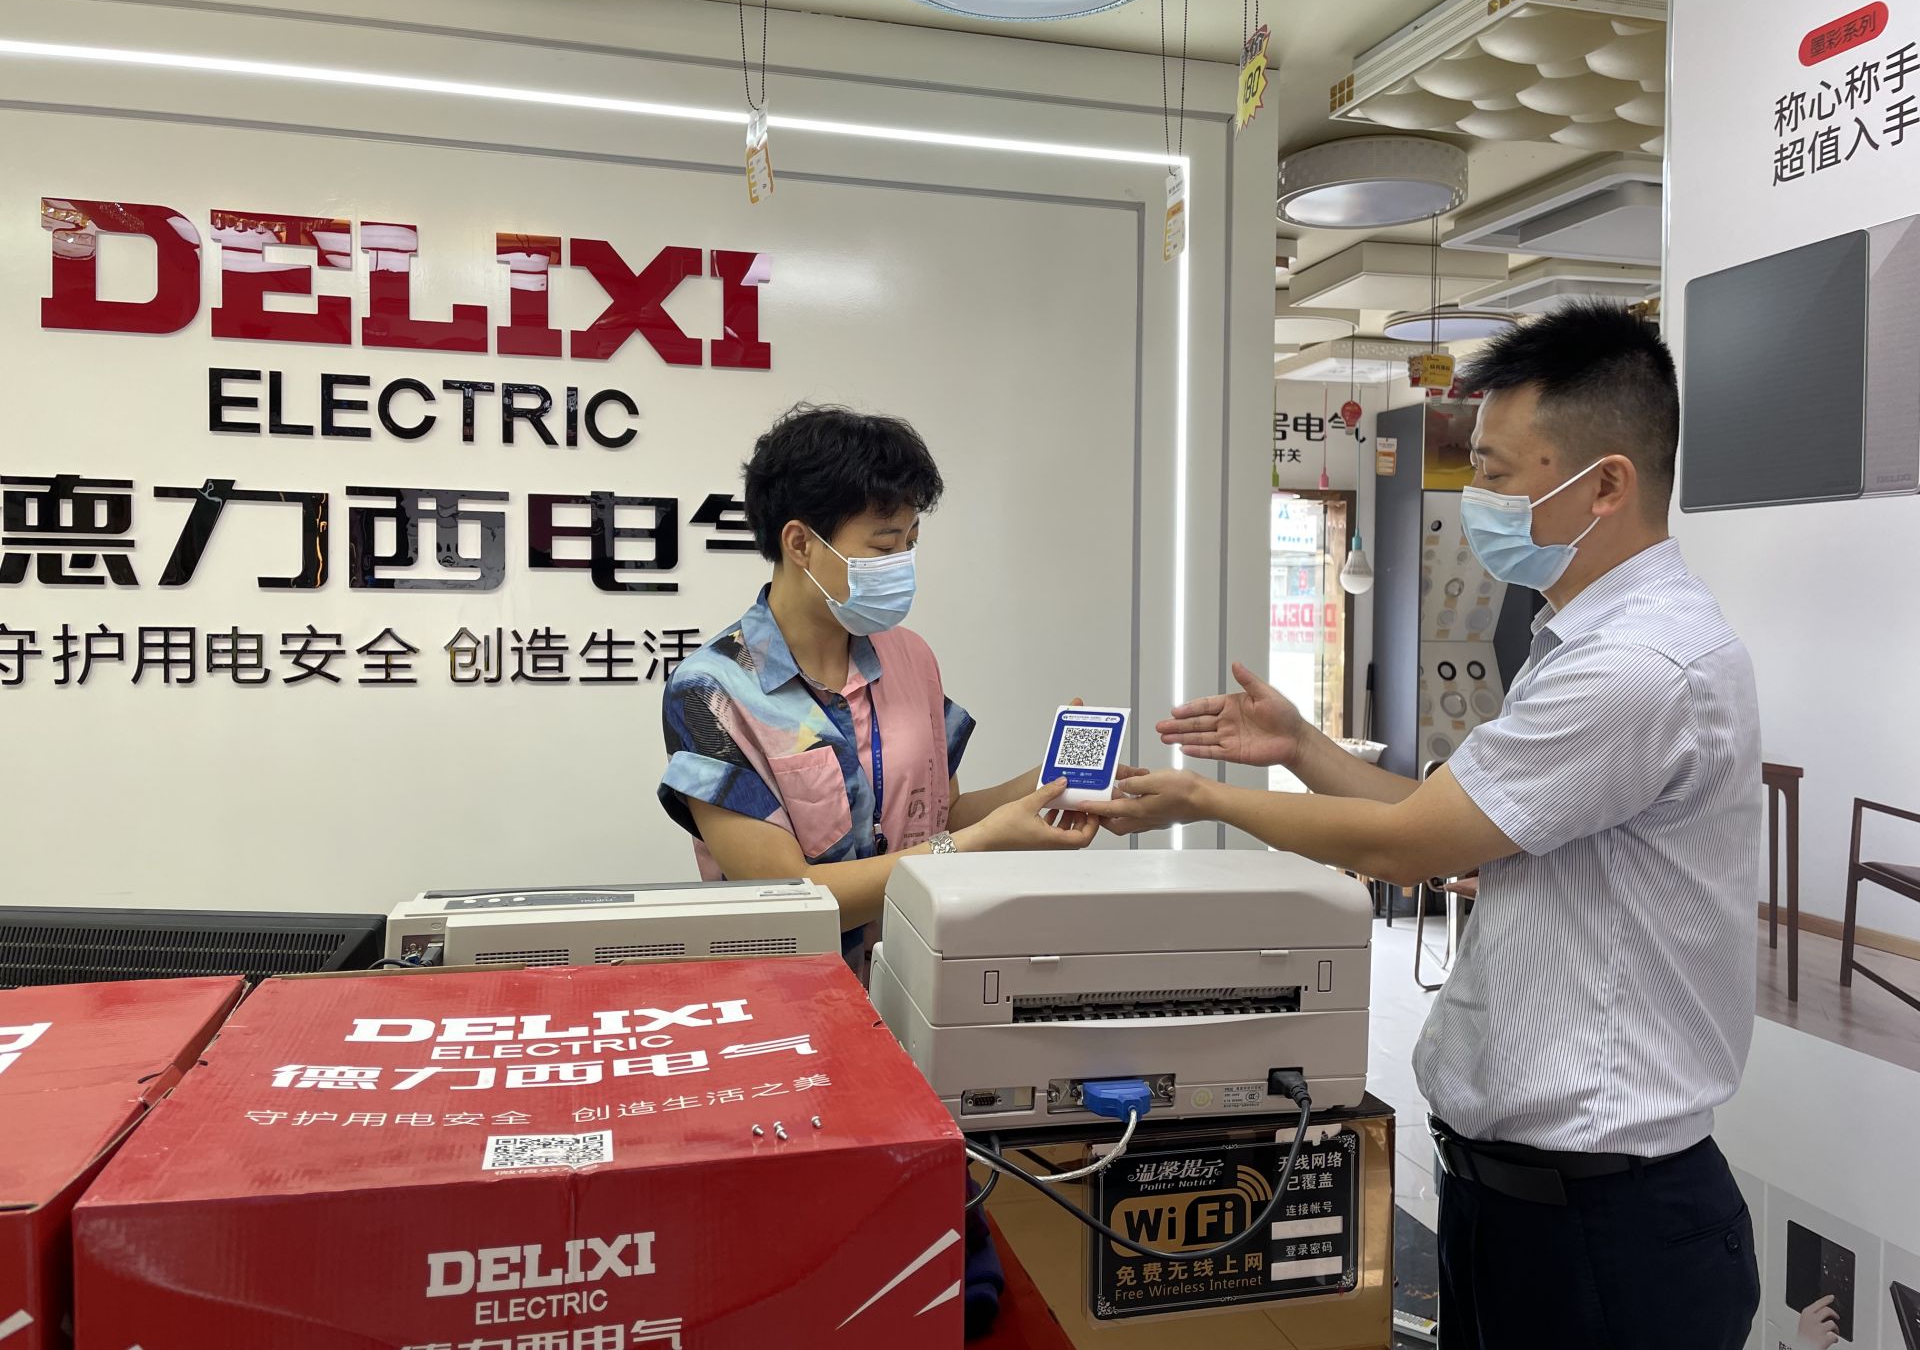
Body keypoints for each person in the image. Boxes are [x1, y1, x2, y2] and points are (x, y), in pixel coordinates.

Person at [1084, 303, 1763, 1350]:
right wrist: (1300, 747)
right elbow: (1443, 815)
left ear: (1606, 485)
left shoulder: (1638, 667)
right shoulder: (1588, 640)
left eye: (1495, 473)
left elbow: (1409, 847)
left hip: (1608, 1223)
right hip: (1521, 1201)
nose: (1475, 499)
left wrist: (1203, 800)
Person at [658, 402, 1098, 963]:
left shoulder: (910, 657)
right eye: (884, 547)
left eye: (911, 543)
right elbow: (785, 899)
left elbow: (940, 818)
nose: (902, 564)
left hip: (916, 976)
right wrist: (976, 844)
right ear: (800, 544)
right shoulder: (711, 693)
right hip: (791, 991)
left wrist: (1046, 784)